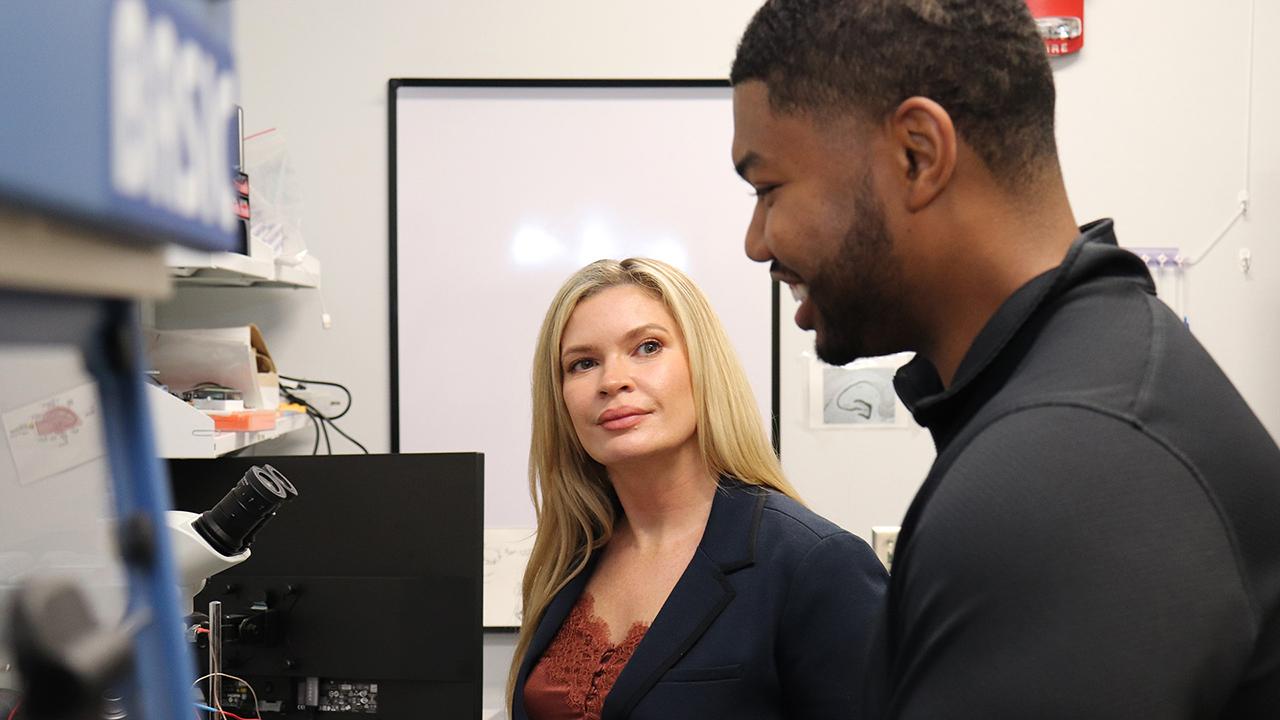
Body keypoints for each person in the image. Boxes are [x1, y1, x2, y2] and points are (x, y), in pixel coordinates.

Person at [729, 1, 1280, 718]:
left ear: (917, 155)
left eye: (768, 189)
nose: (755, 240)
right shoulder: (1087, 395)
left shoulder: (1072, 471)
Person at [506, 258, 887, 720]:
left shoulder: (818, 565)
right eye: (583, 363)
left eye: (647, 347)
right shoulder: (567, 559)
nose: (612, 381)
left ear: (703, 367)